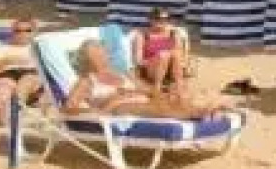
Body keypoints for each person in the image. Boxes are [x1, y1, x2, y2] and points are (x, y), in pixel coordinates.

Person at [65, 40, 232, 120]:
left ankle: (202, 110)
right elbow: (69, 108)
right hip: (118, 107)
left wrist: (138, 90)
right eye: (96, 53)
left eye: (103, 51)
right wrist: (98, 112)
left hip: (142, 98)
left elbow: (151, 89)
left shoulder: (124, 74)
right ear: (87, 60)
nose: (103, 56)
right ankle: (199, 113)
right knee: (155, 107)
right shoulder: (86, 81)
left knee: (171, 99)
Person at [130, 8, 190, 95]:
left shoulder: (174, 33)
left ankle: (179, 89)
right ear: (150, 19)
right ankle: (157, 88)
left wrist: (169, 57)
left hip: (172, 69)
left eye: (166, 19)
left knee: (175, 54)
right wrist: (155, 60)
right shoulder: (142, 35)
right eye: (158, 19)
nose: (162, 21)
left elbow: (180, 54)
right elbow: (138, 61)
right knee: (163, 55)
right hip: (151, 70)